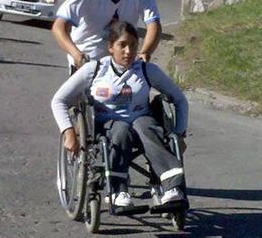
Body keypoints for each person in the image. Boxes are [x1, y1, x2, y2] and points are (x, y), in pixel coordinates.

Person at [51, 21, 188, 207]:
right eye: (122, 45)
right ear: (110, 47)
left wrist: (179, 133)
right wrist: (68, 132)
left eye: (133, 45)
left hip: (142, 122)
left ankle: (172, 188)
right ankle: (118, 190)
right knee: (121, 129)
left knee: (145, 126)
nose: (128, 51)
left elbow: (179, 99)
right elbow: (59, 100)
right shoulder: (95, 70)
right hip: (107, 125)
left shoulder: (147, 70)